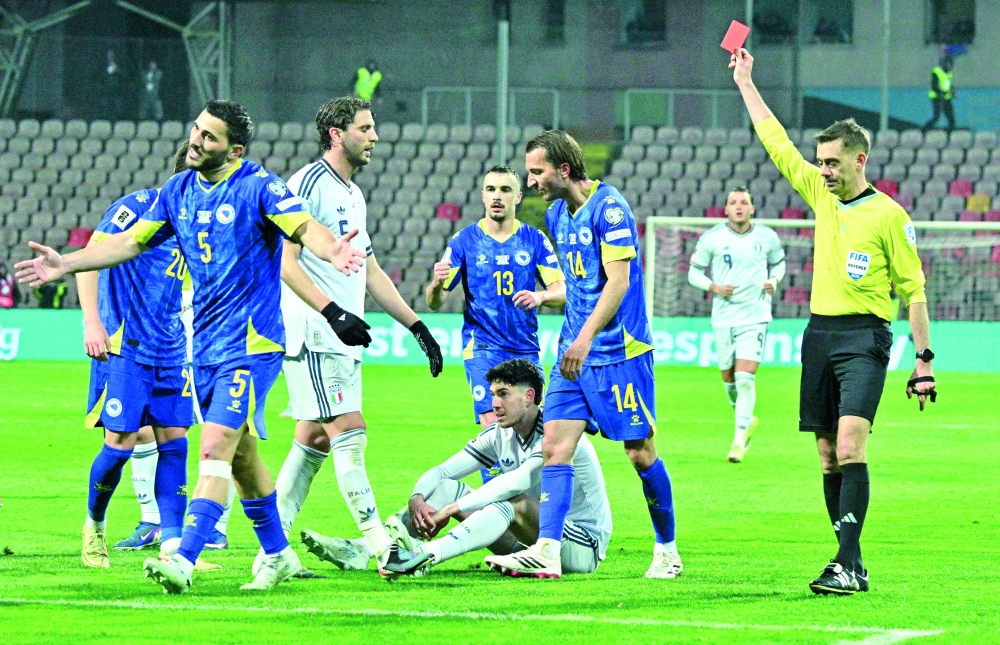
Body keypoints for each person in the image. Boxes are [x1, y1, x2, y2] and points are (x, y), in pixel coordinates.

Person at [15, 99, 375, 594]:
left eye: (209, 136)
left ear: (235, 149)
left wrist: (331, 248)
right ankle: (278, 554)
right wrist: (68, 264)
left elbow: (303, 226)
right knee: (244, 457)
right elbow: (129, 243)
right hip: (202, 346)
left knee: (214, 446)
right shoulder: (177, 190)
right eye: (197, 130)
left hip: (251, 344)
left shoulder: (259, 186)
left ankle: (182, 558)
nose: (196, 140)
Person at [730, 47, 937, 595]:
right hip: (818, 334)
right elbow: (775, 142)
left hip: (865, 338)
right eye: (819, 161)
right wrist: (747, 82)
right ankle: (852, 562)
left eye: (833, 162)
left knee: (850, 446)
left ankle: (845, 564)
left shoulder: (890, 215)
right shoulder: (821, 197)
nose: (823, 170)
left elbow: (914, 290)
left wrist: (923, 361)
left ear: (859, 160)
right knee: (826, 457)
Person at [255, 95, 442, 579]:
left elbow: (371, 270)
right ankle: (385, 547)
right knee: (349, 433)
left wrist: (416, 326)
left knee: (313, 440)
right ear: (337, 134)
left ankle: (271, 556)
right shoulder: (307, 184)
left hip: (338, 336)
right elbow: (285, 265)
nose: (374, 136)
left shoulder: (353, 193)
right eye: (366, 127)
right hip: (316, 332)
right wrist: (333, 312)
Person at [484, 131, 680, 580]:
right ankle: (549, 550)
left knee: (640, 453)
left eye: (537, 171)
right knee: (555, 448)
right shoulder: (556, 214)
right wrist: (548, 300)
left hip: (618, 351)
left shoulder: (610, 208)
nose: (530, 181)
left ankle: (667, 550)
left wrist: (585, 336)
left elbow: (618, 282)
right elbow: (579, 285)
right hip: (574, 353)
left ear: (564, 170)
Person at [302, 359, 612, 576]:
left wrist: (453, 509)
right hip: (526, 540)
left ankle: (428, 555)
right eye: (492, 395)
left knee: (510, 502)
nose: (494, 404)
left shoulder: (558, 435)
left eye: (503, 394)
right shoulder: (499, 434)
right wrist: (418, 498)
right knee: (446, 488)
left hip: (577, 545)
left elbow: (516, 482)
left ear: (529, 396)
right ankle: (366, 549)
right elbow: (441, 473)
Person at [74, 144, 195, 569]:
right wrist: (92, 323)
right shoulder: (138, 208)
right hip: (126, 346)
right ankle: (95, 525)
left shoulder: (199, 225)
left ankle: (174, 547)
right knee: (119, 445)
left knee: (175, 445)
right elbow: (89, 259)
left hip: (172, 349)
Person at [425, 164, 565, 480]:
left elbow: (562, 291)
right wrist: (436, 284)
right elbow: (434, 302)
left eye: (504, 190)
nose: (496, 197)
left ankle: (524, 501)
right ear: (482, 196)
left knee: (530, 426)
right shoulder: (464, 241)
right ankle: (495, 505)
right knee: (493, 421)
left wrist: (541, 297)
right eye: (490, 190)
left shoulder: (534, 240)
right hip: (482, 347)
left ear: (518, 196)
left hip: (525, 349)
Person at [687, 187, 785, 463]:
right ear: (726, 209)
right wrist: (714, 286)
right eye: (733, 202)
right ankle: (747, 420)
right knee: (729, 379)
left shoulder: (767, 237)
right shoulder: (712, 239)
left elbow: (779, 265)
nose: (739, 206)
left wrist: (774, 281)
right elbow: (693, 272)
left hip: (755, 315)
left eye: (744, 202)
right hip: (723, 317)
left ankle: (738, 442)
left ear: (752, 208)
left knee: (744, 379)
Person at [923, 56, 955, 132]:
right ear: (943, 64)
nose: (950, 66)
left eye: (951, 64)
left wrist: (953, 91)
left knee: (951, 117)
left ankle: (950, 133)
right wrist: (944, 92)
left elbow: (949, 85)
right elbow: (934, 86)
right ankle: (924, 130)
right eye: (948, 64)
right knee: (936, 117)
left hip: (946, 98)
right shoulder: (936, 72)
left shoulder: (949, 74)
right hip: (937, 98)